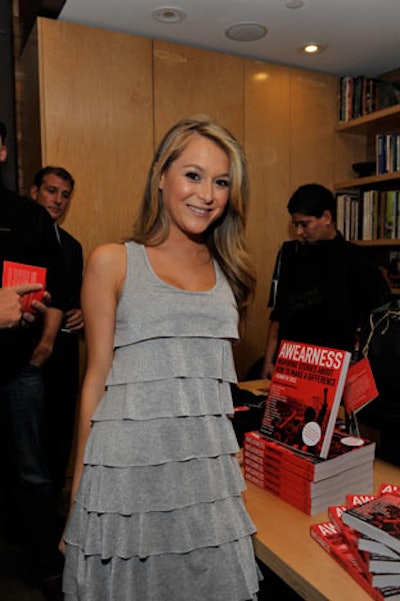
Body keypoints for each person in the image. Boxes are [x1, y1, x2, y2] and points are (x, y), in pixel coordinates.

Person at [62, 115, 260, 600]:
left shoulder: (231, 274)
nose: (207, 194)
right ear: (161, 177)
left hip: (203, 483)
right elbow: (96, 381)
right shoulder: (112, 261)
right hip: (126, 481)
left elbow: (212, 389)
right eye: (193, 175)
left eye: (221, 182)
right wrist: (77, 498)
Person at [0, 121, 66, 600]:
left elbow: (56, 291)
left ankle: (46, 564)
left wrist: (43, 344)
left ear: (3, 150)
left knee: (32, 471)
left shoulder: (28, 217)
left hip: (19, 370)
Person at [261, 183, 391, 379]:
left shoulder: (356, 259)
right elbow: (278, 315)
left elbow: (380, 317)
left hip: (334, 367)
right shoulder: (289, 254)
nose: (299, 232)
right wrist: (269, 362)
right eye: (295, 225)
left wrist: (357, 359)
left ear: (327, 218)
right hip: (290, 364)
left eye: (304, 224)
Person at [30, 166, 84, 502]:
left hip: (63, 356)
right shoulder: (12, 237)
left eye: (65, 195)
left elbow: (74, 298)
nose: (59, 200)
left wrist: (82, 314)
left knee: (59, 434)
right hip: (23, 354)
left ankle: (51, 518)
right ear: (34, 192)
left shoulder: (73, 247)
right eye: (52, 191)